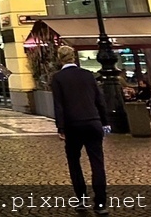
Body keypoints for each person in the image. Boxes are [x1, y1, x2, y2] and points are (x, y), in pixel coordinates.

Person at [51, 45, 110, 216]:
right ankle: (100, 203)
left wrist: (60, 127)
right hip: (93, 122)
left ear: (59, 59)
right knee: (97, 163)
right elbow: (100, 100)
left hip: (73, 125)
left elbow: (59, 105)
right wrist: (105, 122)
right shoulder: (87, 75)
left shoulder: (58, 78)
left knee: (74, 162)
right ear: (73, 58)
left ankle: (82, 199)